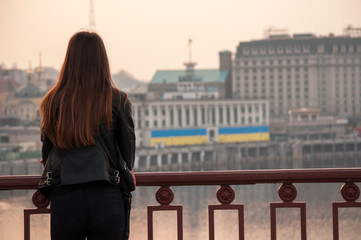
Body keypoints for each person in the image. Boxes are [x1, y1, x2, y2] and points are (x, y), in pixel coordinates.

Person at [38, 31, 136, 240]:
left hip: (65, 198)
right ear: (102, 61)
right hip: (106, 196)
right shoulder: (118, 100)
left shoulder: (53, 101)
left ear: (69, 60)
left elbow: (47, 154)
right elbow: (128, 155)